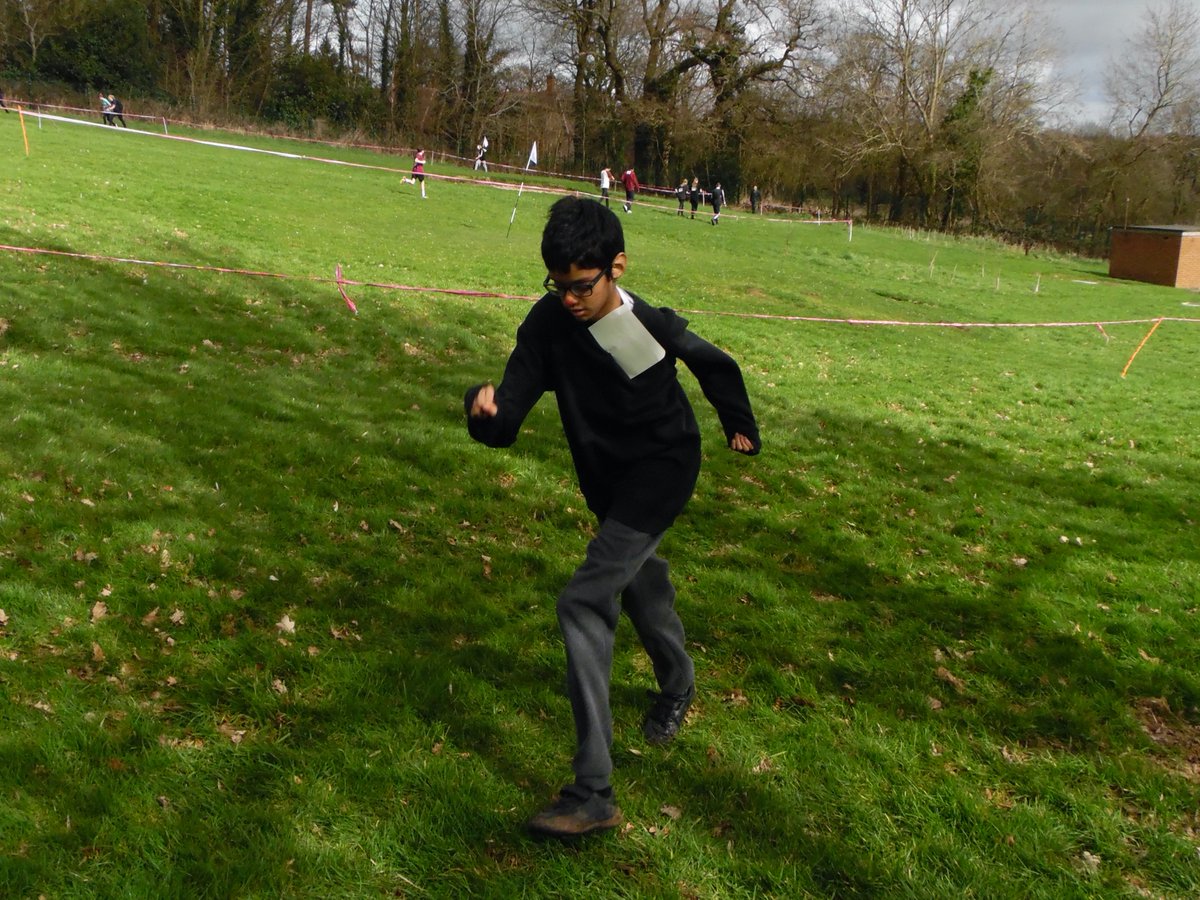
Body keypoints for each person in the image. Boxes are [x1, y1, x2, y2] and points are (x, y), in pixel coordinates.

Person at [464, 197, 761, 838]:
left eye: (582, 285)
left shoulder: (643, 323)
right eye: (558, 284)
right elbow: (509, 409)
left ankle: (591, 792)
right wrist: (483, 413)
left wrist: (738, 423)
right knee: (640, 586)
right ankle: (678, 684)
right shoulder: (547, 326)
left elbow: (712, 362)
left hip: (663, 469)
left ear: (616, 267)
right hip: (608, 482)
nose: (569, 298)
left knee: (586, 598)